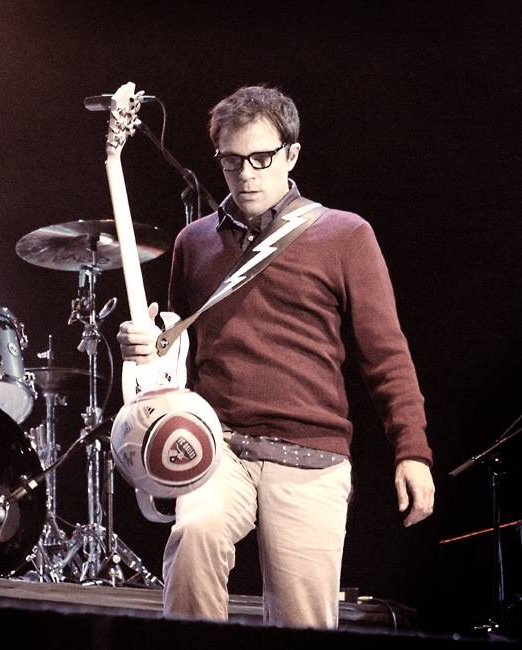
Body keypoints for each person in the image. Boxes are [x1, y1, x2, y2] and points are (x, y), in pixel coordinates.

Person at [117, 85, 435, 628]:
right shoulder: (194, 243)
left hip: (312, 454)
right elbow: (174, 356)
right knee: (193, 537)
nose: (247, 174)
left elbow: (386, 354)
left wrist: (413, 451)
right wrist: (142, 350)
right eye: (232, 161)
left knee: (304, 622)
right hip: (221, 451)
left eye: (262, 158)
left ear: (291, 154)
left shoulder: (345, 235)